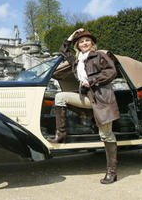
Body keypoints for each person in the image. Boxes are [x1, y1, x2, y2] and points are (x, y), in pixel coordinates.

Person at [48, 28, 120, 184]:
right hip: (87, 97)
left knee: (106, 135)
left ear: (92, 43)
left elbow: (111, 71)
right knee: (60, 97)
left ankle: (111, 172)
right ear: (78, 45)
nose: (84, 43)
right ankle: (60, 135)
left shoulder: (99, 55)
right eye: (81, 41)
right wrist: (72, 35)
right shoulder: (77, 60)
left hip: (102, 99)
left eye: (87, 40)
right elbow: (63, 50)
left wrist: (92, 81)